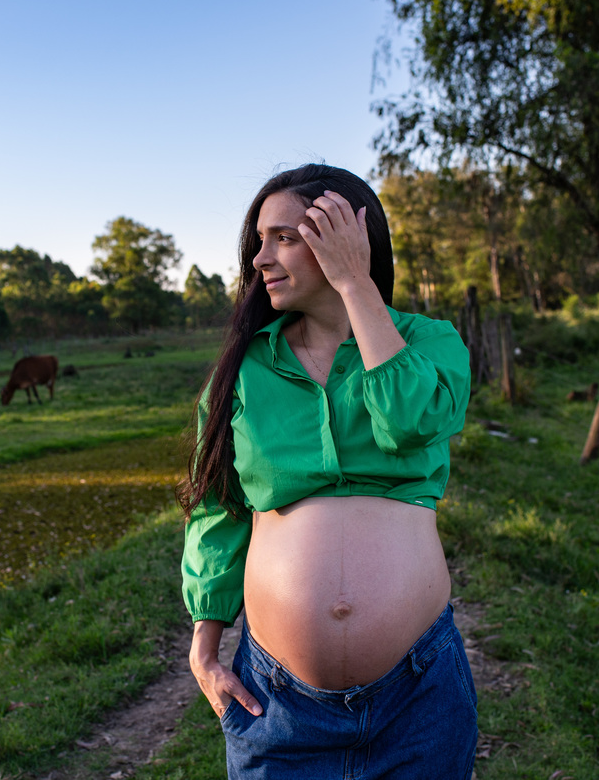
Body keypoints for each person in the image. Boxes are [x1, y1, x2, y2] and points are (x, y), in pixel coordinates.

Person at [177, 164, 477, 778]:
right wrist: (205, 643)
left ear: (348, 238)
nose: (261, 258)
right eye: (259, 240)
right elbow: (220, 507)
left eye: (285, 237)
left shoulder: (429, 341)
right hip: (278, 704)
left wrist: (355, 284)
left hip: (418, 698)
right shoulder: (243, 371)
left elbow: (410, 421)